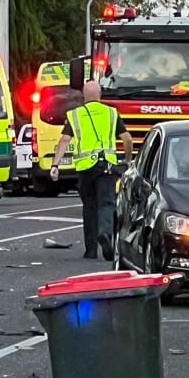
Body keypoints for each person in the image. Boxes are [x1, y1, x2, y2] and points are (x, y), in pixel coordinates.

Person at [50, 80, 133, 260]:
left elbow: (64, 140)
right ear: (100, 95)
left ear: (84, 96)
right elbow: (127, 139)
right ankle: (106, 234)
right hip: (108, 167)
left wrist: (55, 165)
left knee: (89, 207)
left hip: (86, 169)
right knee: (107, 203)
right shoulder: (111, 113)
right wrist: (127, 161)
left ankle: (90, 250)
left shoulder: (75, 115)